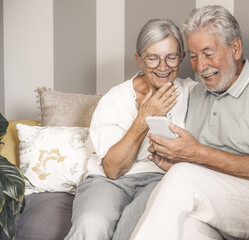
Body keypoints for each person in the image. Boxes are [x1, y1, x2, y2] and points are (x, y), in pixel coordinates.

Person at [131, 5, 249, 240]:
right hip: (219, 203)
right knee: (182, 227)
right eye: (193, 57)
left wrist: (195, 154)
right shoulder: (197, 95)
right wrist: (173, 163)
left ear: (235, 48)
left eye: (208, 53)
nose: (200, 66)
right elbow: (204, 177)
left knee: (183, 177)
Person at [65, 18, 197, 240]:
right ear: (139, 59)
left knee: (134, 225)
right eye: (153, 58)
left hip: (161, 179)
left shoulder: (195, 95)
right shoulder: (115, 99)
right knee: (91, 224)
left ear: (181, 58)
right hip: (109, 182)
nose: (163, 67)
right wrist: (144, 117)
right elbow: (113, 170)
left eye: (171, 57)